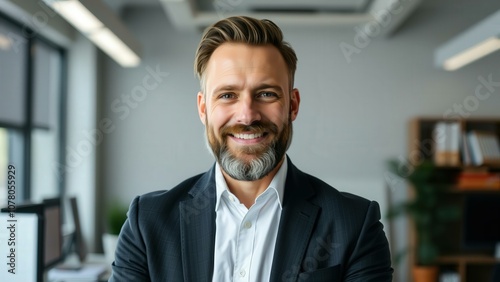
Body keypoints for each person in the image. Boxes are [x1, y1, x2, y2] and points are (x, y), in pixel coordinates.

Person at [109, 16, 393, 282]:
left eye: (266, 94)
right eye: (227, 95)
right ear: (203, 108)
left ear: (292, 105)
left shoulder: (354, 225)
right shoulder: (147, 223)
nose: (247, 115)